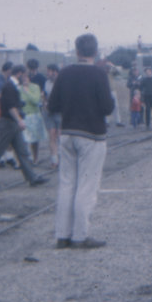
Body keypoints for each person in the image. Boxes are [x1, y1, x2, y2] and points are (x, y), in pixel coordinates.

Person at [47, 32, 116, 249]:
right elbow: (107, 107)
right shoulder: (99, 74)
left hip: (67, 133)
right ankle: (80, 236)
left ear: (77, 51)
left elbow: (52, 105)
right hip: (92, 136)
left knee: (67, 184)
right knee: (86, 186)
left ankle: (62, 235)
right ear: (96, 52)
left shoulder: (64, 73)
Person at [0, 65, 49, 190]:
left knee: (22, 151)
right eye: (24, 75)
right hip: (8, 123)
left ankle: (32, 177)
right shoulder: (10, 87)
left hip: (12, 123)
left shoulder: (11, 86)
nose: (26, 77)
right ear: (19, 74)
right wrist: (19, 120)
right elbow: (11, 107)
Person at [21, 59, 46, 163]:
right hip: (24, 112)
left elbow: (43, 93)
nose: (32, 71)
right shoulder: (24, 78)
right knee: (24, 138)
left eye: (34, 69)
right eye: (31, 69)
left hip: (36, 110)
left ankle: (35, 157)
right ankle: (25, 158)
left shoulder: (41, 78)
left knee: (35, 138)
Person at [43, 64, 61, 165]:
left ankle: (62, 157)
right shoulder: (47, 83)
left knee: (60, 135)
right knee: (52, 135)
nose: (47, 73)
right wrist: (45, 102)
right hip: (49, 112)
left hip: (60, 113)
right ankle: (54, 160)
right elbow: (45, 96)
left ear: (55, 72)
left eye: (49, 71)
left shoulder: (62, 82)